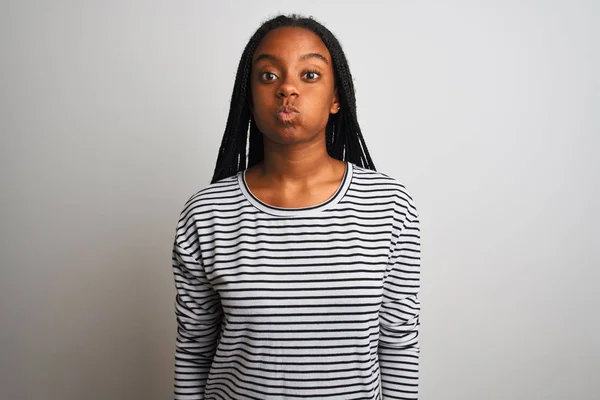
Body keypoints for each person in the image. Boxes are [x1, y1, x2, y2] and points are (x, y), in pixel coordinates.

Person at [172, 14, 420, 400]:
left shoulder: (389, 207)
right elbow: (193, 350)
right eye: (269, 76)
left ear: (336, 97)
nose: (287, 87)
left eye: (310, 75)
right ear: (249, 98)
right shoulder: (207, 214)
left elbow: (399, 344)